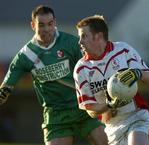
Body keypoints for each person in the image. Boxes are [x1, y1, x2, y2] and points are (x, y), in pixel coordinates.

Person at [0, 6, 108, 145]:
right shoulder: (25, 56)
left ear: (54, 23)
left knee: (107, 142)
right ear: (33, 25)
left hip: (83, 107)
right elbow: (6, 87)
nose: (47, 29)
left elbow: (92, 68)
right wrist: (4, 92)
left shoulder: (71, 42)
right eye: (41, 25)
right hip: (56, 116)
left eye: (50, 24)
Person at [73, 15, 149, 145]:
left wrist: (138, 73)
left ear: (99, 36)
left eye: (84, 36)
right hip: (113, 128)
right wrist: (109, 105)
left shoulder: (123, 50)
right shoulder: (81, 69)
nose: (80, 42)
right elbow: (91, 111)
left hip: (136, 116)